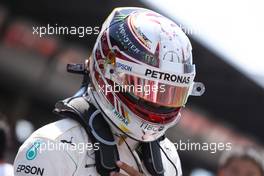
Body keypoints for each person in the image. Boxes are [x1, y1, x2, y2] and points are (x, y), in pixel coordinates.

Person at [13, 7, 204, 176]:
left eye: (169, 93)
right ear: (109, 71)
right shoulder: (51, 146)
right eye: (146, 88)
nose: (158, 103)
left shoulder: (168, 157)